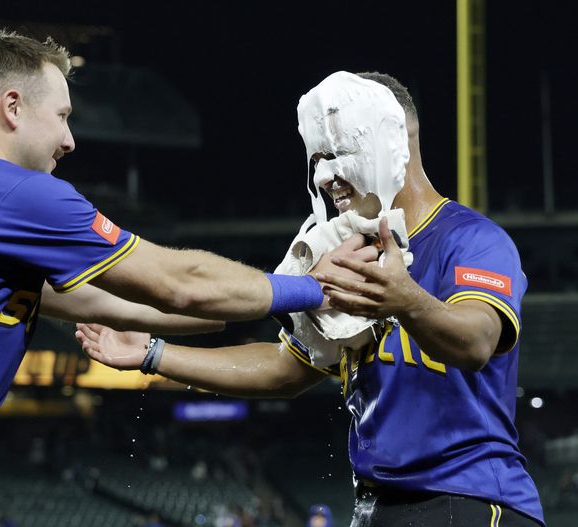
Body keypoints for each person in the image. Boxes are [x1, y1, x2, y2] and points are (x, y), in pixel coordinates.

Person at [0, 32, 373, 526]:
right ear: (12, 107)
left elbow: (120, 303)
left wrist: (260, 305)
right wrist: (314, 287)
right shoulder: (8, 191)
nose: (69, 139)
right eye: (62, 115)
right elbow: (177, 280)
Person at [77, 72, 546, 526]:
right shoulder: (346, 248)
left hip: (471, 501)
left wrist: (408, 300)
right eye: (317, 157)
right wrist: (153, 353)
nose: (324, 176)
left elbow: (477, 341)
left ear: (393, 138)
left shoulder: (471, 240)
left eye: (338, 152)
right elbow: (285, 370)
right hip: (376, 505)